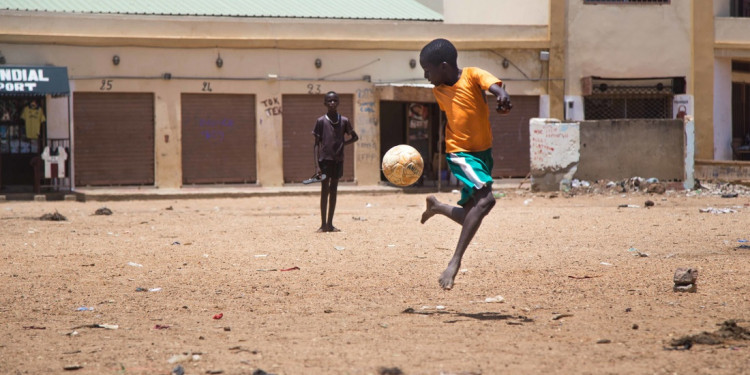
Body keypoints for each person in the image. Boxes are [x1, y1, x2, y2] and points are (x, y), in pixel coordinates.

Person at [418, 38, 512, 290]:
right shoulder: (438, 91)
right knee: (486, 200)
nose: (425, 76)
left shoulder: (472, 75)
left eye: (427, 70)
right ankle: (454, 262)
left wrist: (502, 97)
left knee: (472, 214)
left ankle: (437, 207)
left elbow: (494, 87)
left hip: (484, 153)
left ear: (444, 67)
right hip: (460, 154)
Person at [312, 91, 359, 233]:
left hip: (338, 160)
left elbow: (355, 137)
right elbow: (316, 145)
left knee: (333, 191)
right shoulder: (320, 121)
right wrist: (316, 166)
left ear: (338, 102)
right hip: (324, 161)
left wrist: (343, 144)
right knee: (324, 190)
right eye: (329, 101)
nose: (332, 103)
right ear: (325, 103)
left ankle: (330, 224)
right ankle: (323, 224)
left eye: (334, 101)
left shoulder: (344, 121)